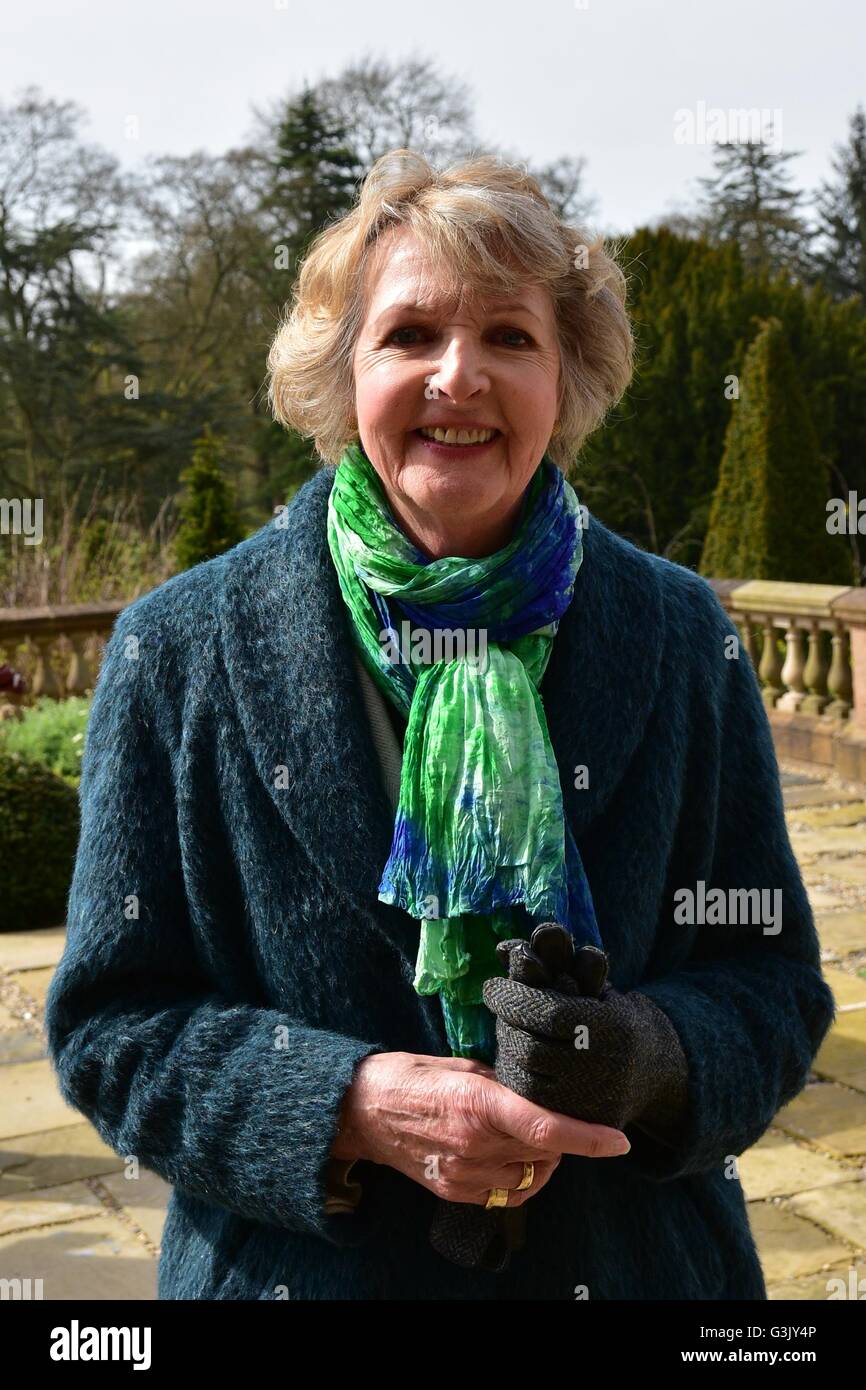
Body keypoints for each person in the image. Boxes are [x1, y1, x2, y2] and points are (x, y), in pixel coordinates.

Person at [45, 149, 835, 1300]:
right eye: (410, 334)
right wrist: (349, 1106)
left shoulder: (677, 633)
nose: (457, 376)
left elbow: (770, 985)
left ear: (566, 377)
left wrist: (650, 1056)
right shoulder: (176, 646)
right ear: (340, 374)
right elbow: (111, 1025)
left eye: (509, 337)